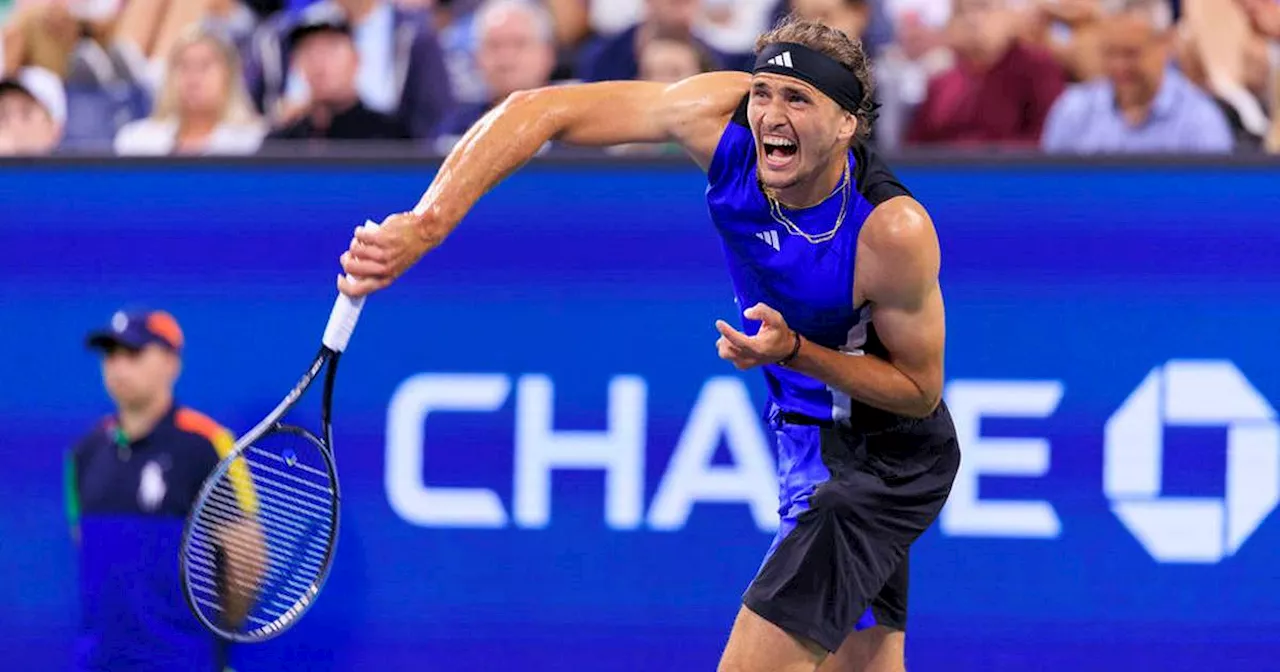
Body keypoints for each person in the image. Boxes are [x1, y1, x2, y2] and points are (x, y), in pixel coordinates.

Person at [338, 13, 960, 672]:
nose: (771, 115)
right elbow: (540, 109)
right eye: (762, 94)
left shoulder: (890, 232)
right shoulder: (716, 126)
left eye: (798, 99)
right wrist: (425, 224)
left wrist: (796, 352)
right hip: (809, 437)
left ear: (847, 125)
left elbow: (920, 393)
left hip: (880, 464)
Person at [67, 308, 263, 672]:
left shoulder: (207, 445)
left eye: (134, 353)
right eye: (111, 354)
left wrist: (207, 643)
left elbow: (245, 561)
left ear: (172, 363)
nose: (119, 366)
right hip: (99, 661)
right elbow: (87, 549)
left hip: (183, 660)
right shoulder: (84, 452)